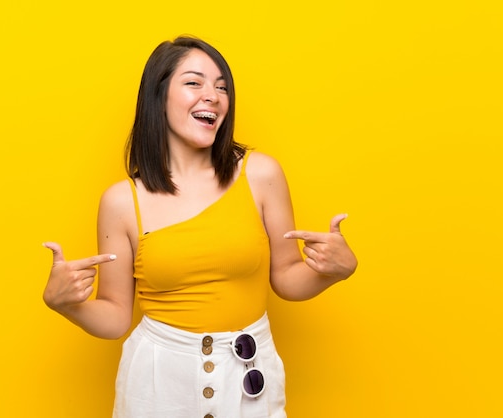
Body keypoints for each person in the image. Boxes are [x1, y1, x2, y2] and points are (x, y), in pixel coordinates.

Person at [42, 36, 357, 418]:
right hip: (157, 382)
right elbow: (114, 316)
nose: (213, 95)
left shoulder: (260, 175)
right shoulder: (121, 202)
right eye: (194, 82)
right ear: (159, 97)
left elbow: (288, 278)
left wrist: (335, 272)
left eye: (222, 87)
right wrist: (65, 305)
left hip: (247, 372)